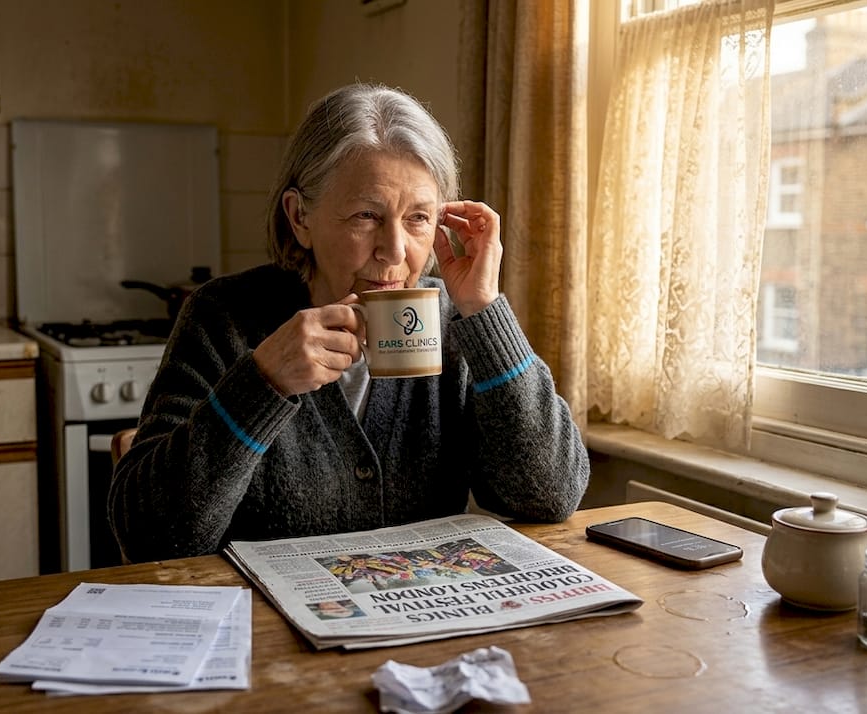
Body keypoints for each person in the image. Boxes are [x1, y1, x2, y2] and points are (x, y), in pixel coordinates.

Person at [109, 83, 590, 563]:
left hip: (416, 627)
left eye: (418, 218)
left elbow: (549, 496)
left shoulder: (456, 321)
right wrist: (263, 383)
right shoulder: (222, 317)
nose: (395, 250)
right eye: (366, 215)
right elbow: (150, 538)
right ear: (300, 217)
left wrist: (485, 312)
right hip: (265, 628)